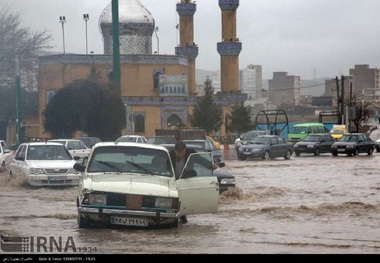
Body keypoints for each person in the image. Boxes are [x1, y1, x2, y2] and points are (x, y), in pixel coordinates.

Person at [168, 141, 217, 224]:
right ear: (175, 151)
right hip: (172, 181)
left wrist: (210, 165)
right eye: (178, 153)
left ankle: (183, 216)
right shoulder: (169, 155)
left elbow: (200, 159)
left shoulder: (190, 153)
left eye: (182, 152)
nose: (180, 155)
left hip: (185, 180)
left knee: (183, 200)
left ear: (185, 150)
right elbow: (158, 162)